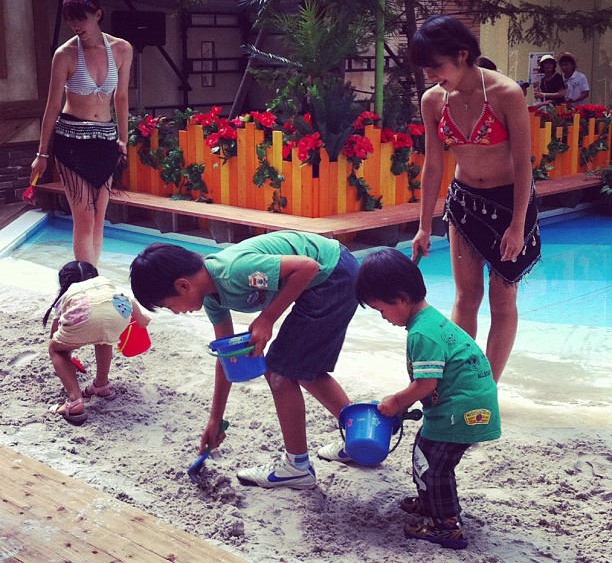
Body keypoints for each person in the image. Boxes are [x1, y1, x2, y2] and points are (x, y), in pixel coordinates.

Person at [129, 231, 359, 489]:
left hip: (332, 274)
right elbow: (226, 358)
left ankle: (297, 467)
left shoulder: (234, 271)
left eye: (170, 306)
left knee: (278, 371)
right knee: (300, 367)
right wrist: (215, 419)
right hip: (331, 276)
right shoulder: (212, 298)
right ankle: (360, 435)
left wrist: (267, 318)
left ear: (183, 286)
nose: (177, 311)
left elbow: (307, 267)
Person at [410, 15, 541, 382]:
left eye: (436, 65)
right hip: (466, 202)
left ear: (463, 54)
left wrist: (517, 225)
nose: (432, 75)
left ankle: (487, 385)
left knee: (503, 302)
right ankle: (462, 379)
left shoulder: (506, 94)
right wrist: (423, 227)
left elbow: (523, 163)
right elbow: (433, 166)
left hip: (509, 202)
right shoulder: (433, 100)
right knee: (466, 297)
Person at [355, 248, 501, 550]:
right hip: (460, 405)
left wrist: (397, 402)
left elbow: (426, 383)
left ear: (401, 299)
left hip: (461, 409)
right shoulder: (428, 321)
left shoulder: (423, 334)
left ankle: (446, 526)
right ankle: (431, 503)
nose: (383, 317)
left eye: (381, 309)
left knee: (434, 467)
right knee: (425, 452)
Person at [31, 0, 133, 266]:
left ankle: (92, 279)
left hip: (105, 140)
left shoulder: (122, 49)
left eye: (81, 18)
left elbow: (121, 97)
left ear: (97, 14)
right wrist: (42, 154)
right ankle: (84, 284)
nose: (76, 25)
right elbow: (52, 106)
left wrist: (123, 138)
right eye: (70, 19)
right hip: (71, 140)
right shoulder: (64, 55)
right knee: (84, 217)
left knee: (100, 217)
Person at [45, 261, 150, 425]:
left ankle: (74, 401)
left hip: (84, 317)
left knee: (56, 350)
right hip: (118, 314)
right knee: (105, 336)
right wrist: (141, 319)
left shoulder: (69, 295)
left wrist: (62, 348)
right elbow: (127, 299)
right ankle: (101, 385)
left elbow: (55, 332)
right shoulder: (103, 283)